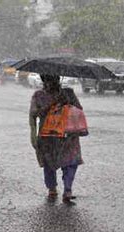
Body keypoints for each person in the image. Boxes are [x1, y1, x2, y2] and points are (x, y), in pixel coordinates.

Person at [29, 74, 84, 203]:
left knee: (69, 162)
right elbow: (34, 115)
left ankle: (65, 190)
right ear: (44, 81)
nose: (50, 83)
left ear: (58, 80)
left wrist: (67, 103)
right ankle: (55, 189)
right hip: (52, 136)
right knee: (54, 163)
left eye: (53, 80)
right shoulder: (39, 96)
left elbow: (79, 109)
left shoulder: (67, 93)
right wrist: (52, 105)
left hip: (65, 135)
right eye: (47, 80)